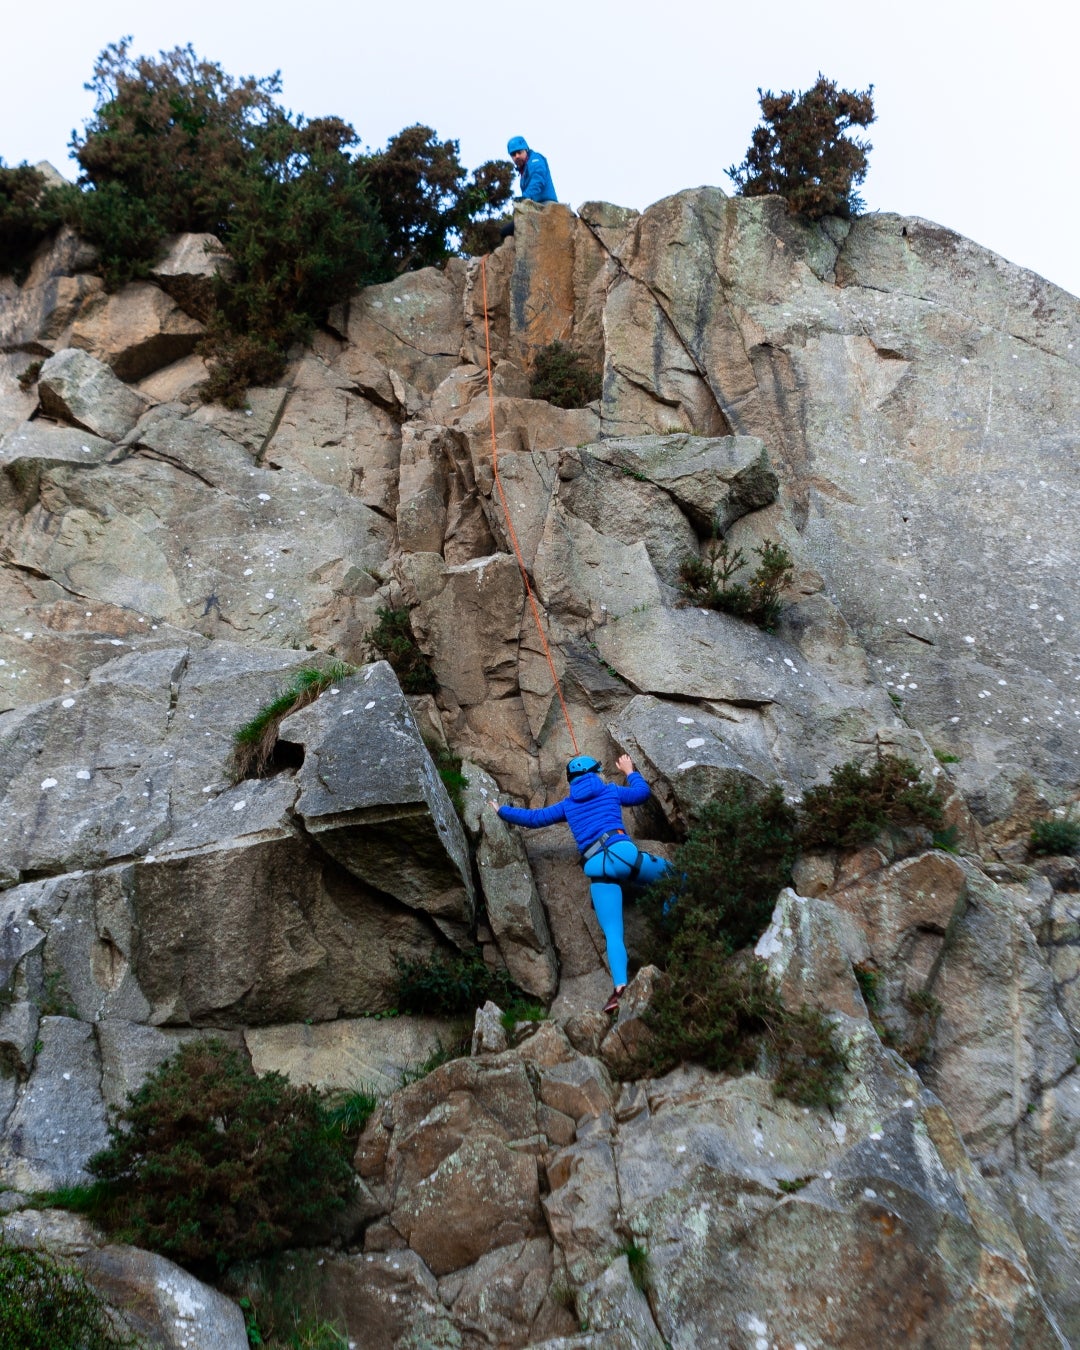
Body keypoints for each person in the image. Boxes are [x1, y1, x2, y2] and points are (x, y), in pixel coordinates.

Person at [491, 754, 671, 1013]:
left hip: (598, 869)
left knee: (612, 933)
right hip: (624, 854)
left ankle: (619, 988)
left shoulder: (567, 806)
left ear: (571, 781)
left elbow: (534, 819)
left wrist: (502, 811)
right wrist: (630, 771)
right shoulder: (611, 791)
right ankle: (670, 922)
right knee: (678, 878)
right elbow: (641, 794)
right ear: (597, 772)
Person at [500, 136, 557, 237]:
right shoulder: (524, 168)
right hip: (534, 207)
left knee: (507, 232)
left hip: (545, 206)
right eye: (513, 154)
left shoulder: (535, 160)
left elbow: (538, 179)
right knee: (506, 232)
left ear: (526, 150)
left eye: (519, 152)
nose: (516, 156)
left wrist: (526, 196)